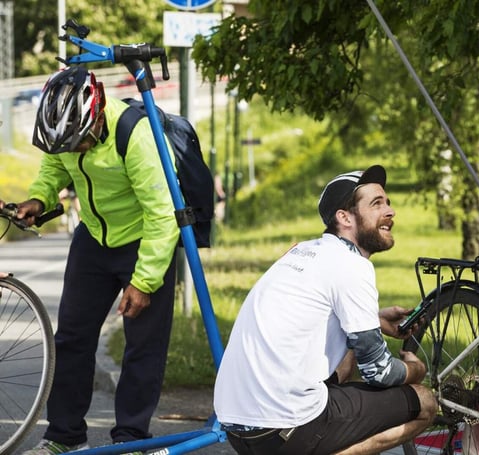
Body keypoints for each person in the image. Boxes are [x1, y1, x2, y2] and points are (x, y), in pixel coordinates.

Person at [213, 164, 437, 455]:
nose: (390, 211)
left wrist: (374, 319)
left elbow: (312, 313)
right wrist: (416, 369)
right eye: (376, 203)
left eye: (388, 202)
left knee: (349, 351)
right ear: (344, 217)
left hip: (237, 428)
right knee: (424, 401)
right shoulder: (353, 266)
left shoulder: (303, 251)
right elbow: (379, 373)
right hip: (285, 429)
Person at [15, 66, 180, 454]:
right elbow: (55, 164)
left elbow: (163, 213)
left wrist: (144, 280)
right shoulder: (68, 138)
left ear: (97, 117)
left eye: (78, 143)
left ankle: (130, 438)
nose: (73, 151)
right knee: (71, 339)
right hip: (93, 238)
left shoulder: (135, 136)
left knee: (142, 344)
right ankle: (63, 436)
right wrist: (40, 198)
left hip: (144, 239)